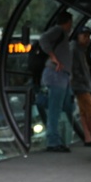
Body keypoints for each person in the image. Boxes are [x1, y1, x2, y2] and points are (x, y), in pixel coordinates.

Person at [40, 11, 74, 152]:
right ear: (67, 23)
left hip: (62, 76)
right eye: (70, 23)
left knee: (66, 105)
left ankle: (57, 138)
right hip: (56, 74)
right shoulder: (58, 30)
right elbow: (43, 39)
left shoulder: (63, 35)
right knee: (55, 109)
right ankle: (52, 142)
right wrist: (54, 57)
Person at [70, 27, 91, 146]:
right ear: (78, 35)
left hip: (82, 84)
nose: (87, 39)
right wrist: (82, 80)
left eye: (88, 36)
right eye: (84, 36)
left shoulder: (80, 49)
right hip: (80, 85)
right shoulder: (75, 49)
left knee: (84, 112)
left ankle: (88, 137)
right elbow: (74, 68)